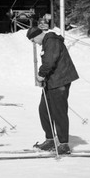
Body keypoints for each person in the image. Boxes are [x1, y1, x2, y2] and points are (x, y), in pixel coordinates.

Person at [26, 26, 79, 155]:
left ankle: (63, 144)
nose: (34, 43)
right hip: (52, 82)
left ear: (38, 35)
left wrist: (41, 74)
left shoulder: (52, 41)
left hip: (60, 81)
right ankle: (50, 139)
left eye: (33, 40)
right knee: (44, 110)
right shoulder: (47, 42)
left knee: (58, 112)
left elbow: (50, 61)